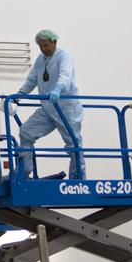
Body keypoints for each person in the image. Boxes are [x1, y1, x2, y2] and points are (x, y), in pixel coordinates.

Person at [16, 29, 85, 179]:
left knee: (73, 144)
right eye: (40, 46)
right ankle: (23, 172)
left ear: (54, 42)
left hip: (66, 107)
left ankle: (78, 179)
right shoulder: (41, 60)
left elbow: (65, 74)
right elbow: (32, 80)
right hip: (48, 107)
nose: (43, 49)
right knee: (26, 132)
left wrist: (58, 88)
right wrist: (18, 96)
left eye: (46, 45)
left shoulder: (63, 55)